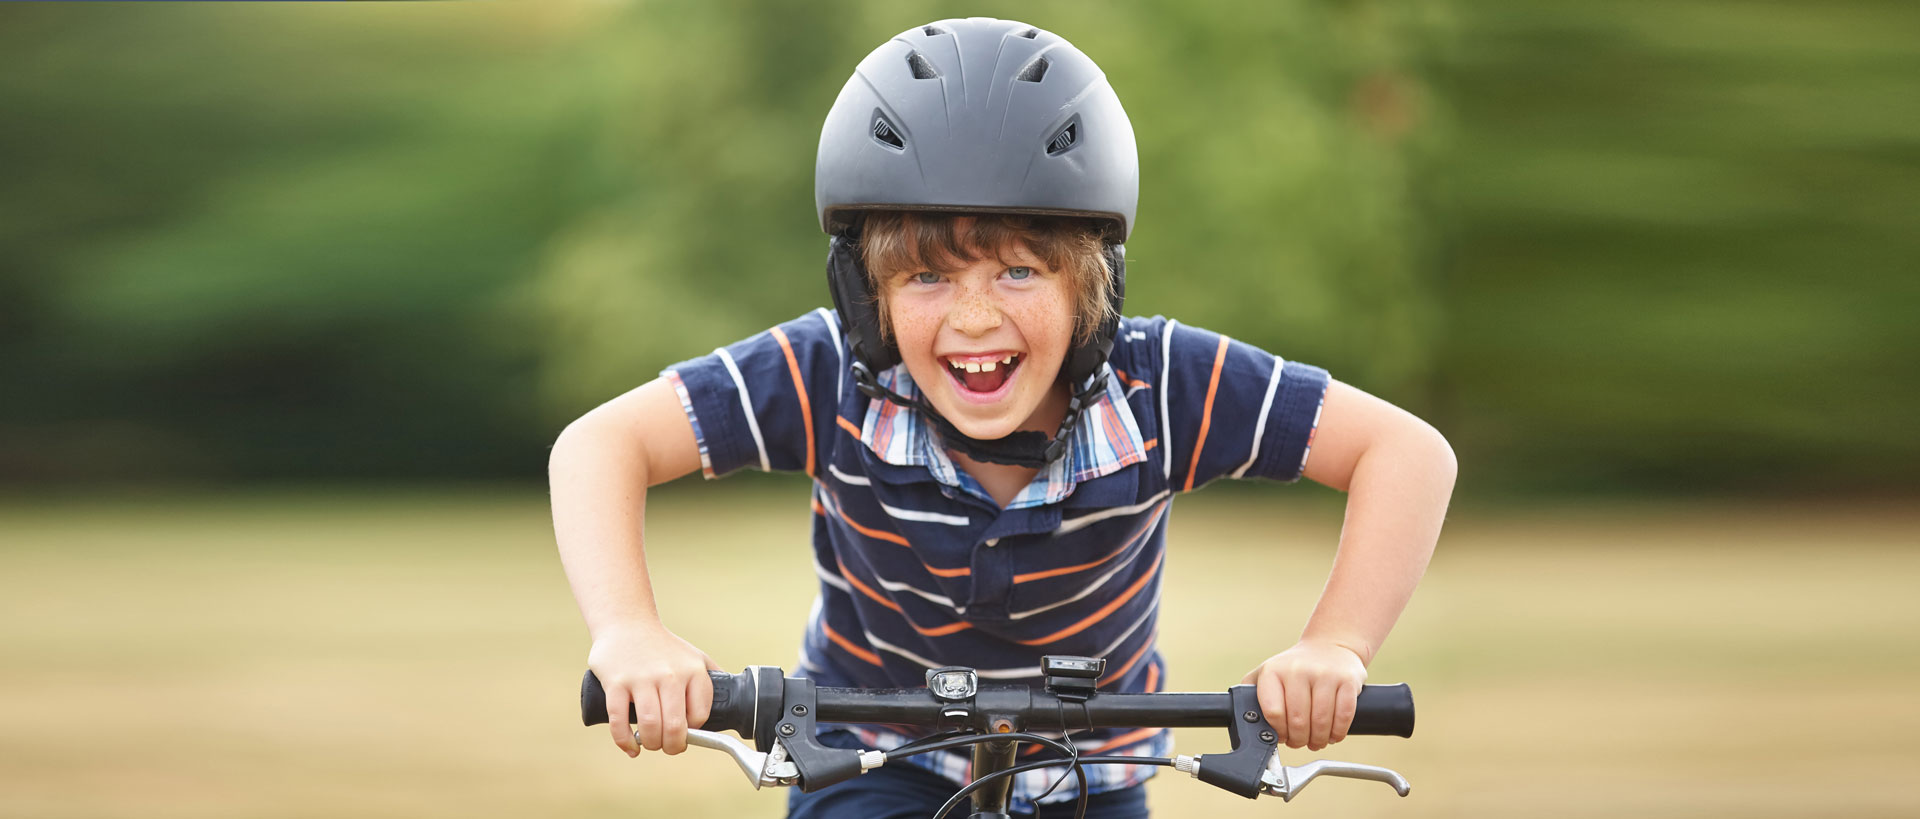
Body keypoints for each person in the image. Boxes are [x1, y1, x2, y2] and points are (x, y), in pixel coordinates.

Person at [550, 18, 1456, 819]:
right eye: (927, 276)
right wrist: (630, 630)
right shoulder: (830, 372)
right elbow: (600, 445)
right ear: (868, 298)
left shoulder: (1165, 384)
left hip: (1092, 771)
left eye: (1018, 271)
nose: (974, 319)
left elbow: (1405, 452)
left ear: (1089, 284)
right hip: (873, 760)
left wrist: (1334, 644)